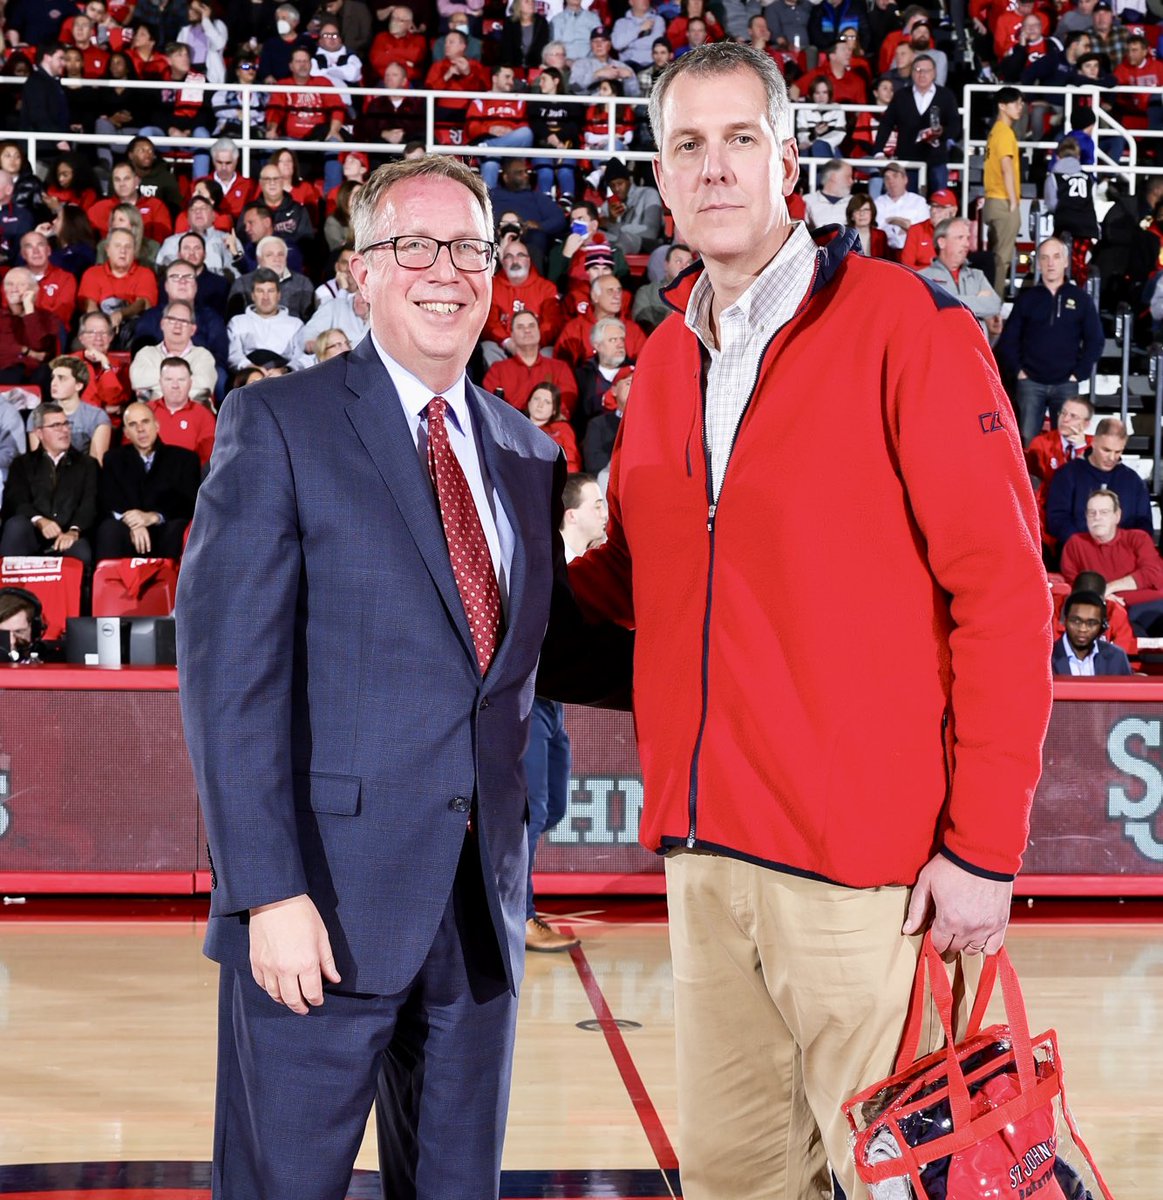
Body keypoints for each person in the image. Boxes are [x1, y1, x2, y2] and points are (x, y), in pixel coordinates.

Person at [559, 42, 1052, 1200]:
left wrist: (981, 847)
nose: (713, 167)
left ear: (787, 158)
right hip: (704, 862)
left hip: (864, 877)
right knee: (735, 1182)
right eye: (686, 145)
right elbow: (644, 590)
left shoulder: (905, 327)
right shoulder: (667, 364)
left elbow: (1001, 595)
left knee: (909, 1187)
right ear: (660, 176)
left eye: (738, 139)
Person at [176, 154, 628, 1200]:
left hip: (476, 920)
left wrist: (719, 661)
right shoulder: (280, 424)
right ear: (361, 273)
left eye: (468, 248)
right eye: (411, 246)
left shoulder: (525, 451)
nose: (445, 270)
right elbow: (227, 682)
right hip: (318, 914)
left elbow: (538, 651)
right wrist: (267, 893)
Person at [993, 236, 1104, 446]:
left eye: (1056, 257)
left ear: (1066, 261)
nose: (1050, 263)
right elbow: (1008, 341)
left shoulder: (1081, 299)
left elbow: (1095, 340)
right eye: (1044, 258)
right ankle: (1029, 481)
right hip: (1030, 383)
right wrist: (1019, 371)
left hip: (1066, 384)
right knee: (1026, 443)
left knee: (1066, 443)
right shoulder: (1027, 299)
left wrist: (1078, 374)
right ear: (1039, 264)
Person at [95, 400, 202, 561]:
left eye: (145, 421)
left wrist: (154, 516)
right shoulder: (113, 459)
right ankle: (109, 583)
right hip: (128, 530)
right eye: (133, 424)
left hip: (165, 528)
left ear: (157, 425)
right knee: (108, 529)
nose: (141, 429)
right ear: (126, 432)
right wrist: (134, 523)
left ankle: (173, 584)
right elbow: (108, 500)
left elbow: (189, 503)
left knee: (179, 527)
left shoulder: (185, 459)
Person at [0, 402, 98, 569]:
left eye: (66, 424)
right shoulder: (22, 464)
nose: (65, 430)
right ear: (39, 432)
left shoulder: (88, 464)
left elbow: (91, 502)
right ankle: (7, 593)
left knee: (81, 552)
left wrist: (74, 531)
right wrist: (40, 521)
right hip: (33, 533)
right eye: (56, 425)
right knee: (15, 528)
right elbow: (16, 500)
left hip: (71, 535)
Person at [1060, 488, 1163, 634]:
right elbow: (1074, 585)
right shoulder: (1075, 544)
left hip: (1151, 606)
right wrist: (1104, 597)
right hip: (1108, 611)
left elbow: (1154, 574)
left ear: (1117, 515)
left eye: (1104, 512)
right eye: (1092, 513)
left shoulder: (1138, 538)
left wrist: (1108, 588)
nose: (1097, 517)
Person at [1047, 418, 1153, 545]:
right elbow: (1057, 520)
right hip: (1078, 554)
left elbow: (1143, 524)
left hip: (1122, 556)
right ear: (1094, 442)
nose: (1112, 458)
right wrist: (1085, 546)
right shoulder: (1067, 474)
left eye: (1118, 451)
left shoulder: (1134, 481)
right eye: (1106, 450)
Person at [1025, 394, 1093, 551]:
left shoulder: (1093, 446)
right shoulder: (1041, 443)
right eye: (1063, 413)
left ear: (1086, 424)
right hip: (1048, 511)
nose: (1065, 419)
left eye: (1073, 416)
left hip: (1083, 513)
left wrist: (1080, 449)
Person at [921, 218, 1003, 336]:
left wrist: (946, 302)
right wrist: (977, 300)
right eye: (960, 238)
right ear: (941, 242)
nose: (967, 244)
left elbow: (994, 305)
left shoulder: (977, 276)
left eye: (968, 238)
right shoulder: (924, 278)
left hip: (975, 350)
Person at [984, 86, 1025, 297]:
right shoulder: (1005, 133)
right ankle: (994, 307)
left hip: (992, 200)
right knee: (1002, 259)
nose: (1020, 107)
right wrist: (1013, 202)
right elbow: (1006, 167)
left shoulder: (994, 132)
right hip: (1002, 201)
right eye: (1016, 103)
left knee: (995, 257)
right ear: (1002, 105)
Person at [149, 358, 217, 466]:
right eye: (168, 379)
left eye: (181, 380)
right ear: (160, 383)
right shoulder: (145, 411)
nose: (175, 385)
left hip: (189, 478)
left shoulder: (204, 416)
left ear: (190, 383)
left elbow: (209, 460)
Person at [1051, 589, 1134, 675]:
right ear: (1064, 620)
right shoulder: (1045, 658)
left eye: (1091, 623)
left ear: (1102, 625)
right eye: (1076, 621)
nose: (1083, 629)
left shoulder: (1116, 657)